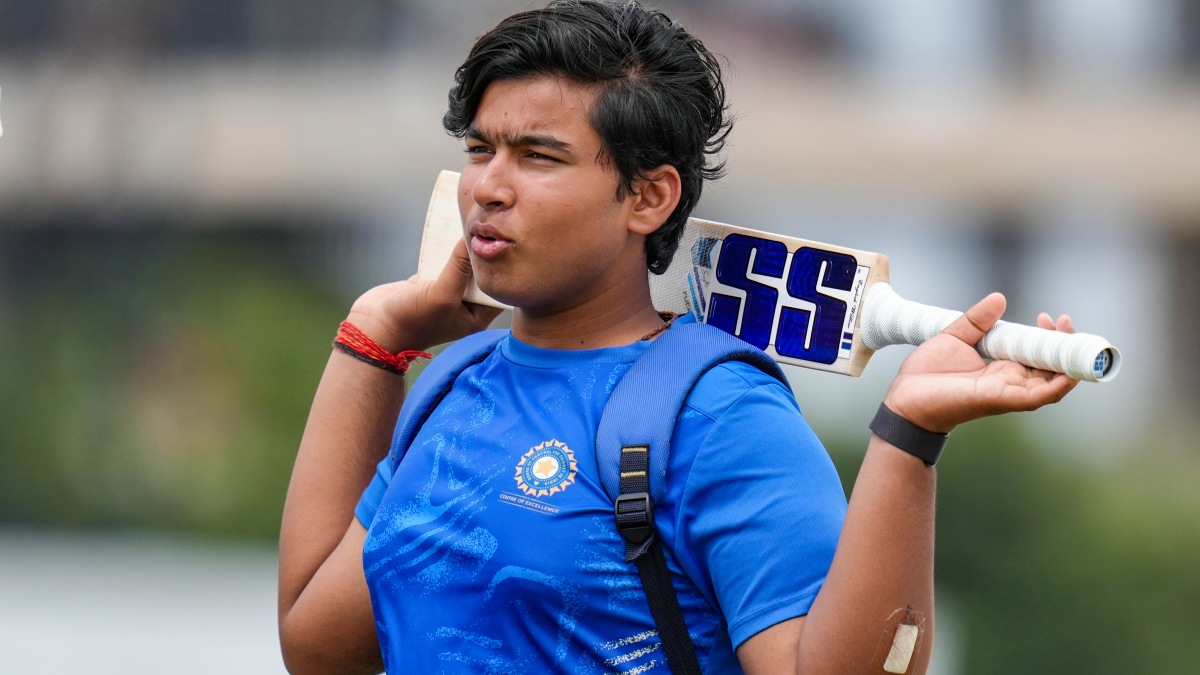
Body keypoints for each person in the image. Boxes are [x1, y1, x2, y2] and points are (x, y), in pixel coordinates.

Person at [277, 2, 1078, 673]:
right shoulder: (455, 383)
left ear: (649, 197)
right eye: (481, 149)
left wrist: (908, 434)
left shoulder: (719, 414)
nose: (489, 186)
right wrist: (374, 338)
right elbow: (318, 645)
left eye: (539, 157)